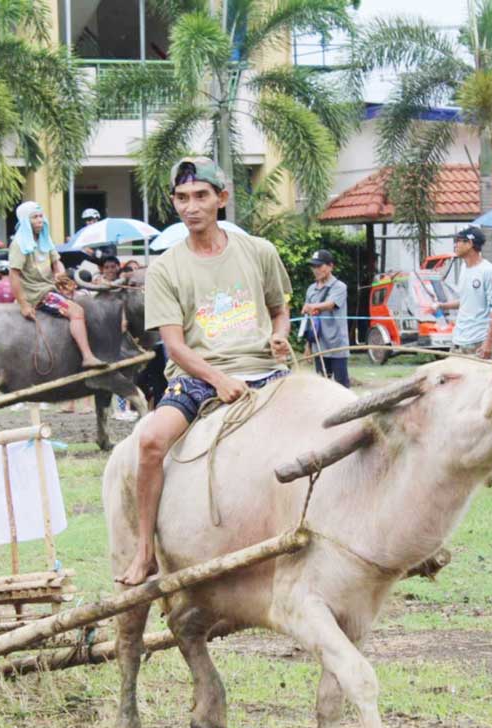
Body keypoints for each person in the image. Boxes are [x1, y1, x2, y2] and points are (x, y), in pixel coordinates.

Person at [119, 156, 292, 585]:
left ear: (222, 199)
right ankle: (144, 551)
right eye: (182, 198)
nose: (190, 206)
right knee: (151, 441)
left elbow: (279, 309)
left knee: (330, 429)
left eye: (201, 196)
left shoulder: (259, 251)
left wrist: (280, 335)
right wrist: (218, 379)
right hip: (199, 377)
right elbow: (175, 347)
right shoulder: (165, 269)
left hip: (266, 370)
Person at [8, 201, 105, 368]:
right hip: (37, 293)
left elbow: (56, 262)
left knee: (85, 299)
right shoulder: (19, 244)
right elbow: (14, 275)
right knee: (77, 311)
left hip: (50, 287)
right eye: (34, 217)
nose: (40, 220)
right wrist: (24, 304)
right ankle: (87, 357)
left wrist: (60, 276)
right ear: (25, 221)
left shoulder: (45, 239)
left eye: (40, 216)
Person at [437, 226, 492, 359]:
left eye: (459, 241)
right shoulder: (463, 268)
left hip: (479, 342)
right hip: (458, 340)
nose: (456, 245)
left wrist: (488, 342)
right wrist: (441, 306)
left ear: (470, 243)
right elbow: (466, 301)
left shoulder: (488, 271)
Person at [302, 249, 350, 388]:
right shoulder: (311, 289)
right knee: (322, 385)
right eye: (313, 266)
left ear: (330, 266)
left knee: (342, 385)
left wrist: (312, 306)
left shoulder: (340, 287)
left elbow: (330, 304)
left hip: (337, 344)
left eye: (320, 266)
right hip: (319, 345)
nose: (316, 270)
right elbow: (309, 320)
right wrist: (308, 346)